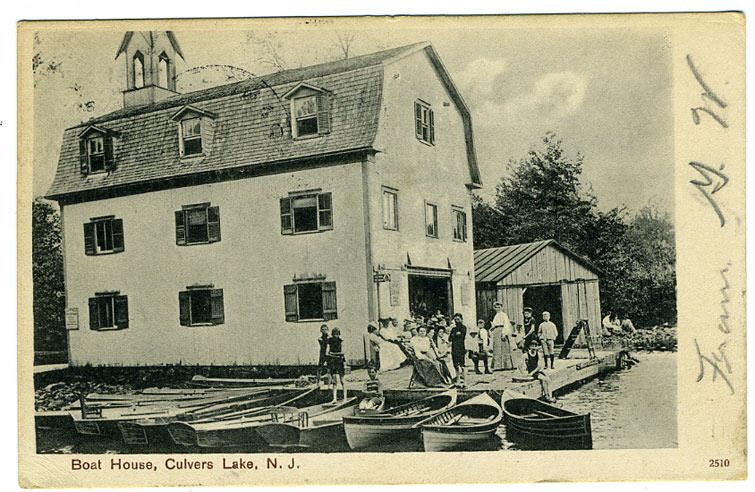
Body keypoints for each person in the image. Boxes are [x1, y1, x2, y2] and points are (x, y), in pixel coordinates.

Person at [490, 302, 515, 370]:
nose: (497, 308)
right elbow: (494, 324)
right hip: (496, 332)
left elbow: (506, 324)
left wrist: (504, 333)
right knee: (497, 348)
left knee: (504, 348)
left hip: (501, 331)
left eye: (499, 307)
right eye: (496, 307)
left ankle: (506, 365)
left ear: (502, 307)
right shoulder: (496, 315)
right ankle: (497, 366)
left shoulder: (504, 315)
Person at [326, 327, 347, 403]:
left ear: (339, 334)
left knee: (342, 380)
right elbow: (327, 352)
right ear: (332, 334)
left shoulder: (341, 341)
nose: (336, 335)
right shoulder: (329, 341)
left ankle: (345, 398)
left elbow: (343, 352)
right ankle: (334, 398)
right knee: (334, 380)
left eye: (337, 334)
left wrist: (333, 354)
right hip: (333, 362)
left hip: (339, 362)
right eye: (334, 334)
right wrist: (335, 354)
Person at [450, 313, 468, 388]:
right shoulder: (453, 329)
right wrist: (455, 335)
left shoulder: (464, 327)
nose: (457, 321)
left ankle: (465, 381)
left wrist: (456, 335)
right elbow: (450, 338)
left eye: (458, 319)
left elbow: (461, 335)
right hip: (454, 348)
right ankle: (458, 381)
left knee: (462, 365)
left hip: (461, 348)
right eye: (455, 319)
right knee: (456, 366)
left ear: (461, 319)